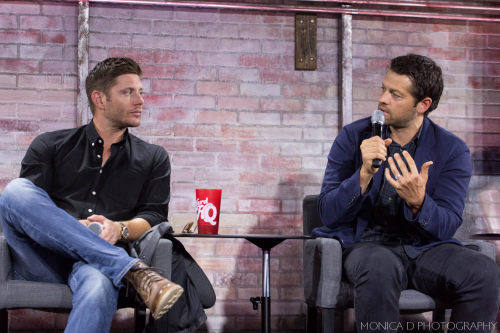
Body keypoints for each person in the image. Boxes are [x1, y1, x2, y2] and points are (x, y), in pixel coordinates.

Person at [314, 54, 500, 332]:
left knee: (483, 272)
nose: (382, 99)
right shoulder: (353, 137)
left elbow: (448, 224)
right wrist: (363, 175)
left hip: (425, 248)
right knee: (378, 266)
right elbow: (327, 212)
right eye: (384, 89)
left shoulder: (452, 150)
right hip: (368, 247)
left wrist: (419, 202)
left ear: (423, 104)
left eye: (395, 94)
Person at [0, 57, 184, 332]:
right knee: (16, 192)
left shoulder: (153, 158)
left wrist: (118, 229)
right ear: (99, 98)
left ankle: (120, 267)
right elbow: (27, 212)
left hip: (96, 265)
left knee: (99, 284)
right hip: (42, 259)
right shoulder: (49, 145)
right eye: (128, 92)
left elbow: (155, 215)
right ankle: (132, 270)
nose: (140, 101)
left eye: (140, 92)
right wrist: (73, 228)